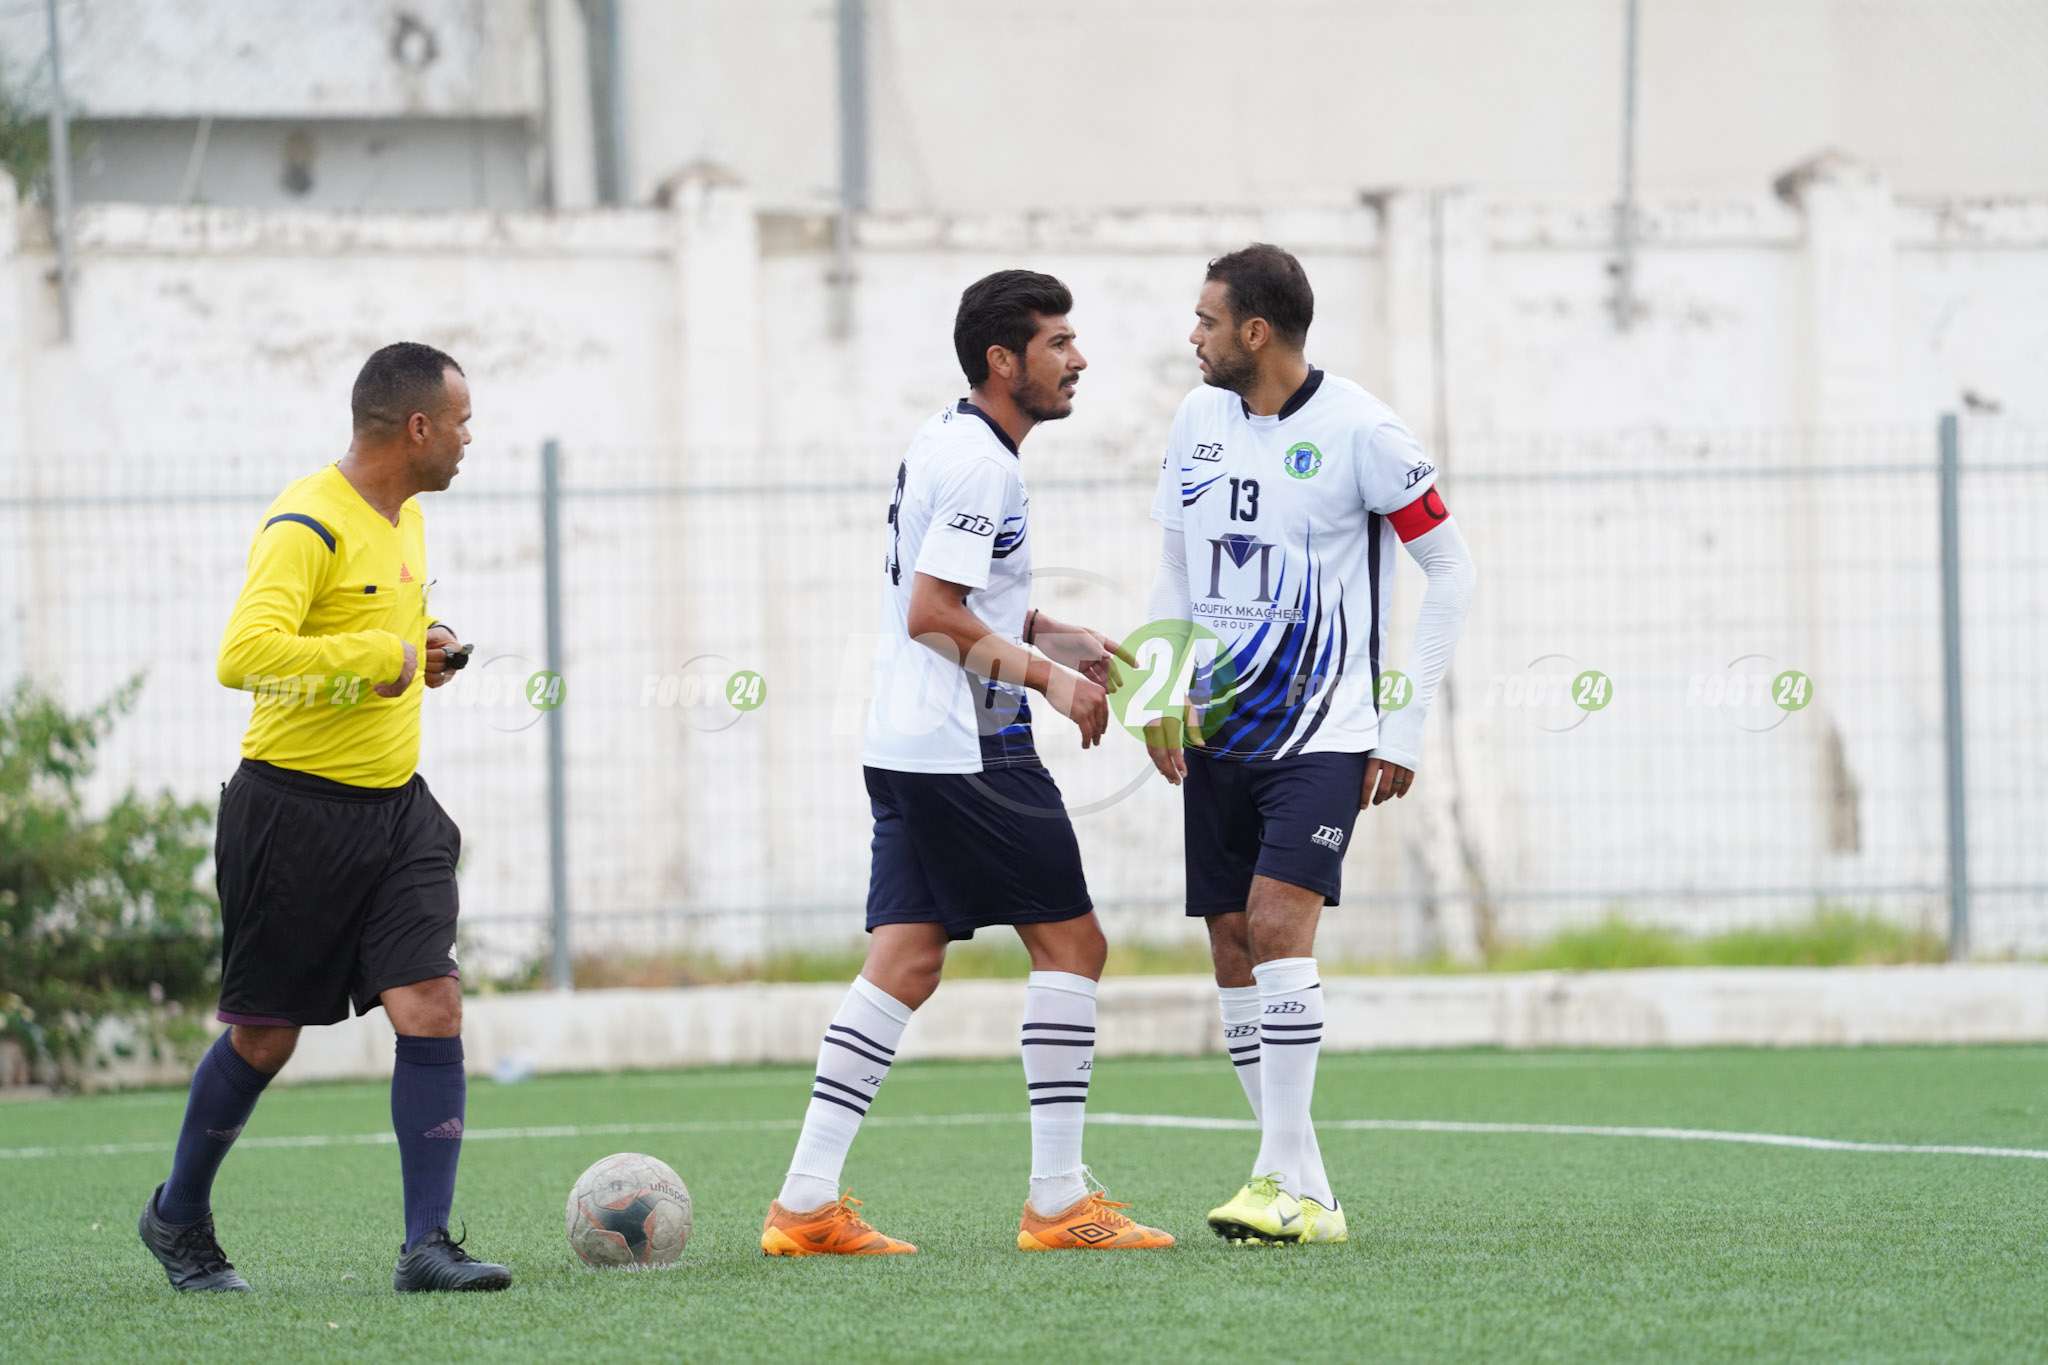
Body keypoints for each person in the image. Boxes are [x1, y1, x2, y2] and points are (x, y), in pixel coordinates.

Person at [760, 270, 1174, 1256]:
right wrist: (1046, 678)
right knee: (1073, 950)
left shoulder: (945, 440)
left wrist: (1043, 628)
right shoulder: (983, 465)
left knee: (903, 962)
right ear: (1003, 359)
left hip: (905, 742)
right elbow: (932, 613)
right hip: (965, 748)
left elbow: (950, 596)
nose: (1077, 360)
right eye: (1058, 342)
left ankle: (805, 1206)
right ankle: (1058, 1202)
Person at [138, 342, 509, 1293]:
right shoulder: (306, 518)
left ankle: (427, 1244)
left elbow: (377, 637)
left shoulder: (408, 519)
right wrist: (370, 653)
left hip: (398, 814)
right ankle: (177, 1214)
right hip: (291, 814)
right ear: (417, 427)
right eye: (462, 421)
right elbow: (244, 651)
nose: (471, 437)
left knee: (431, 1001)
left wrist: (420, 647)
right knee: (266, 1036)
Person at [1142, 244, 1477, 1245]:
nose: (1190, 337)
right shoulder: (1195, 419)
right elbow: (1173, 559)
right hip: (1216, 727)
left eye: (1205, 321)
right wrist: (1159, 686)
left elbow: (1449, 572)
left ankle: (1273, 1179)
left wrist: (1402, 722)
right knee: (1231, 945)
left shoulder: (1363, 434)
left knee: (1277, 924)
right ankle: (1304, 1189)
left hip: (1324, 729)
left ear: (1255, 332)